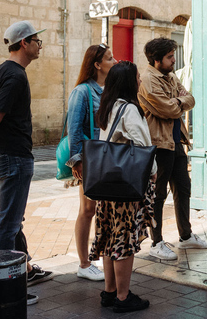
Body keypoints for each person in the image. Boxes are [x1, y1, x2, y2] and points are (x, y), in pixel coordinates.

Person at [0, 20, 52, 306]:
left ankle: (25, 269)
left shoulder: (0, 70)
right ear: (24, 44)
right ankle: (3, 289)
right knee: (7, 224)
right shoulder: (16, 75)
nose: (39, 45)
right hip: (13, 157)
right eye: (36, 40)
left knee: (12, 219)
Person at [90, 61, 156, 313]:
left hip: (106, 186)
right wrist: (153, 173)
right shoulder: (129, 110)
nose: (140, 80)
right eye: (137, 77)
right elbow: (142, 146)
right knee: (124, 241)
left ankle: (109, 292)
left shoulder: (108, 107)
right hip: (126, 189)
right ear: (129, 82)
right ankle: (123, 296)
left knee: (109, 237)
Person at [138, 37, 207, 261]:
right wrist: (179, 102)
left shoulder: (170, 76)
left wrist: (177, 101)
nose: (174, 60)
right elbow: (167, 109)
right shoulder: (149, 79)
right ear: (157, 59)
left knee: (183, 188)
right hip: (159, 143)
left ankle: (185, 236)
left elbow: (191, 98)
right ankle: (156, 242)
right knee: (158, 194)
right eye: (169, 57)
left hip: (176, 141)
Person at [65, 44, 117, 281]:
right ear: (97, 65)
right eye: (109, 58)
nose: (114, 61)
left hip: (106, 158)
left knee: (100, 209)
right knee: (88, 209)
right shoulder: (82, 91)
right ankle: (84, 264)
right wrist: (77, 161)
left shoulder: (108, 90)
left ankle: (98, 258)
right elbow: (74, 129)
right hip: (89, 158)